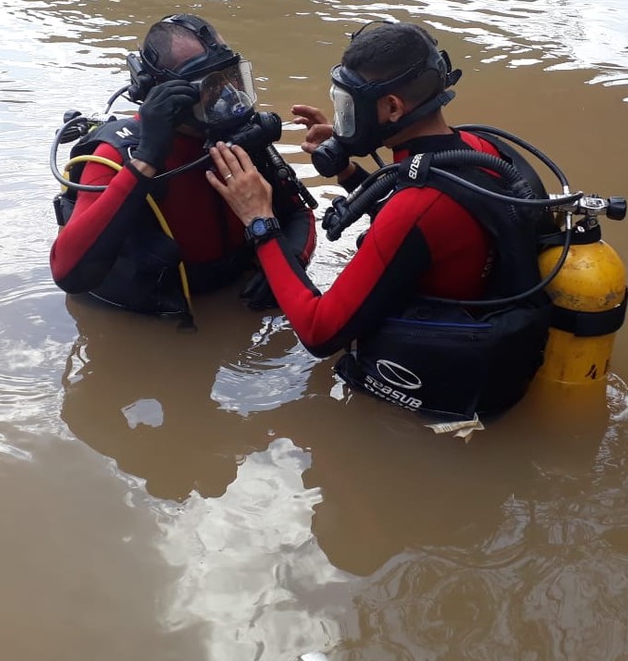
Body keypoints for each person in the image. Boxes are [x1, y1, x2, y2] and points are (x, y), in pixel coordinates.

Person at [206, 21, 554, 420]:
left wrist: (259, 220)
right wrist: (349, 174)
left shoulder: (418, 208)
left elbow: (319, 332)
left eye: (350, 106)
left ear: (391, 108)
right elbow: (431, 222)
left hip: (435, 388)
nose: (343, 119)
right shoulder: (481, 148)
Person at [50, 14, 316, 320]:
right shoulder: (115, 157)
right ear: (166, 93)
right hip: (149, 328)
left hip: (234, 302)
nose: (228, 95)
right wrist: (145, 162)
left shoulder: (241, 136)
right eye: (210, 85)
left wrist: (288, 264)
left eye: (231, 76)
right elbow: (68, 274)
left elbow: (297, 213)